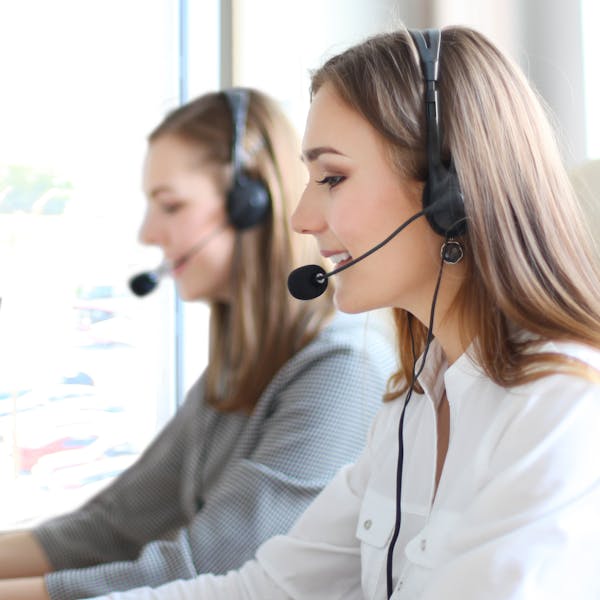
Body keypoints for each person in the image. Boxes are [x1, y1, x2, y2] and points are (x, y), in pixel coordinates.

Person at [77, 25, 600, 600]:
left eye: (332, 178)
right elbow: (267, 589)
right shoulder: (412, 405)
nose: (301, 218)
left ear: (448, 190)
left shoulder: (564, 407)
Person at [0, 88, 396, 599]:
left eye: (170, 205)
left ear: (249, 204)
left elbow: (204, 567)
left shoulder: (343, 368)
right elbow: (112, 526)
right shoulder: (240, 370)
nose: (147, 233)